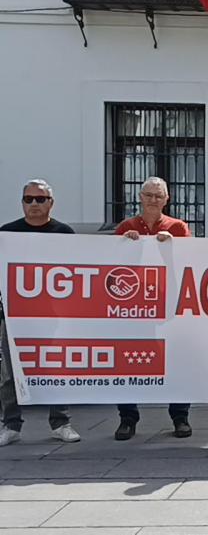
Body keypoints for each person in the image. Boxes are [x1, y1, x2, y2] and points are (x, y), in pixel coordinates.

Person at [0, 180, 80, 446]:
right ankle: (11, 425)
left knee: (57, 367)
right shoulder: (7, 233)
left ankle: (61, 422)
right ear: (22, 202)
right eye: (28, 199)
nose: (34, 204)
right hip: (14, 317)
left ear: (51, 203)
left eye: (40, 199)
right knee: (10, 372)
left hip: (53, 316)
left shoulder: (64, 233)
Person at [112, 177, 192, 441]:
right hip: (133, 308)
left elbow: (190, 263)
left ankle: (180, 416)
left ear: (167, 199)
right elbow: (112, 268)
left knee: (176, 360)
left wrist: (174, 246)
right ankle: (127, 418)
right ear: (140, 197)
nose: (153, 200)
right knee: (128, 361)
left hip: (169, 305)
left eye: (159, 196)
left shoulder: (178, 227)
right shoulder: (126, 227)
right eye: (149, 195)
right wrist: (125, 245)